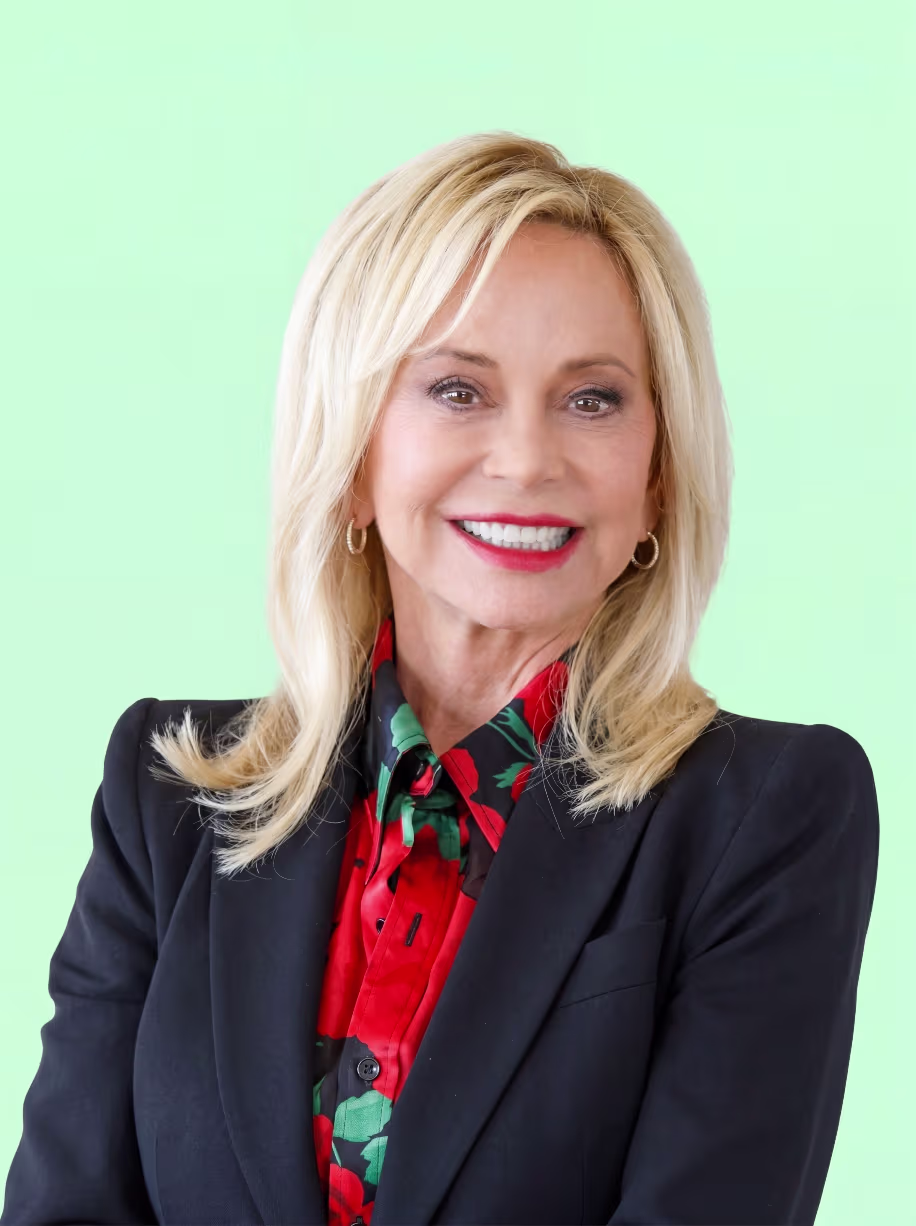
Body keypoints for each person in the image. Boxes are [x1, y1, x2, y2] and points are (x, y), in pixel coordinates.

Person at [2, 131, 879, 1226]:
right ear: (354, 454)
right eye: (458, 389)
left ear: (657, 473)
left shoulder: (769, 812)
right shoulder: (168, 794)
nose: (526, 459)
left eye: (593, 398)